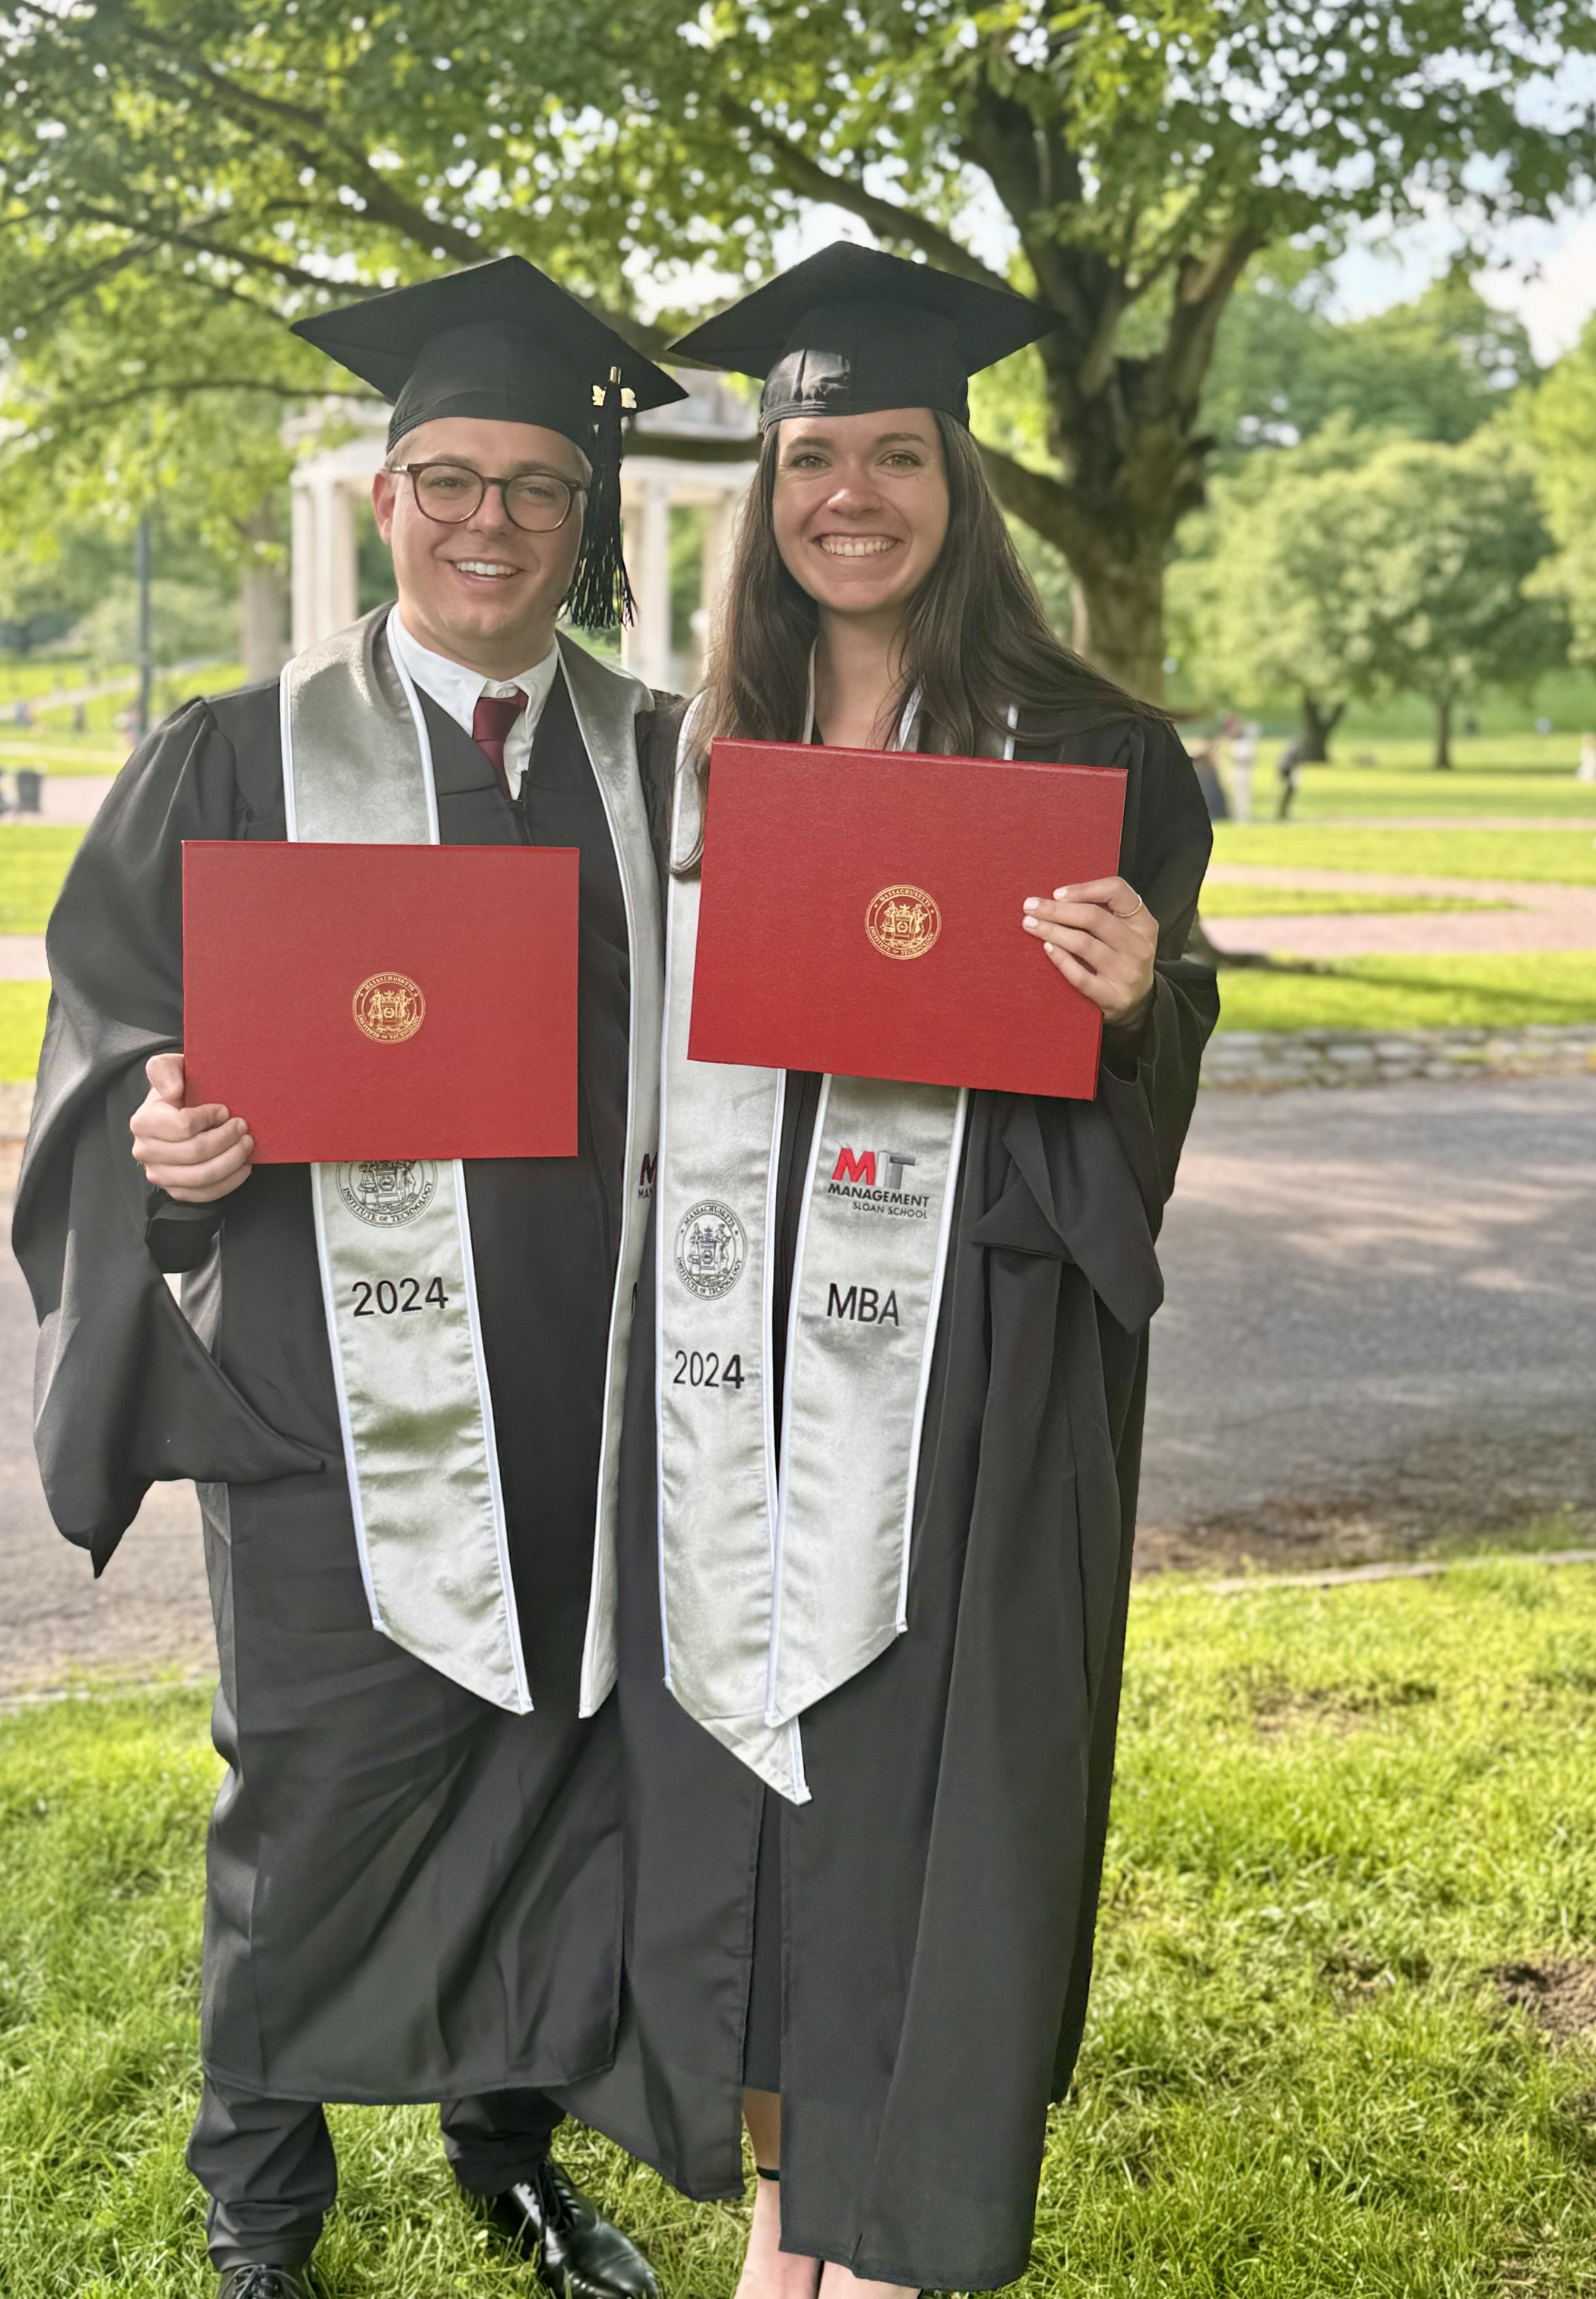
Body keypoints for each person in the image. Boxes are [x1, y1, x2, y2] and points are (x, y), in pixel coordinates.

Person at [12, 256, 688, 2299]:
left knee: (571, 1792)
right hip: (336, 1402)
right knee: (307, 1802)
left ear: (588, 524)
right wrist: (164, 1135)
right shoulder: (234, 754)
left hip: (599, 1390)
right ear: (387, 501)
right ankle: (264, 2223)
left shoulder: (668, 765)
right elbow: (114, 1024)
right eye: (449, 479)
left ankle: (512, 2155)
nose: (490, 521)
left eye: (537, 488)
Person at [566, 244, 1218, 2299]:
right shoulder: (687, 750)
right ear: (765, 488)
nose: (849, 489)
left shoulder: (1092, 747)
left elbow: (1139, 1066)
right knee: (748, 1790)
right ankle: (781, 2211)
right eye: (811, 453)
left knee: (916, 1796)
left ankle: (894, 2228)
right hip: (718, 1368)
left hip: (965, 1375)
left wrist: (1131, 1005)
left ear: (961, 480)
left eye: (895, 452)